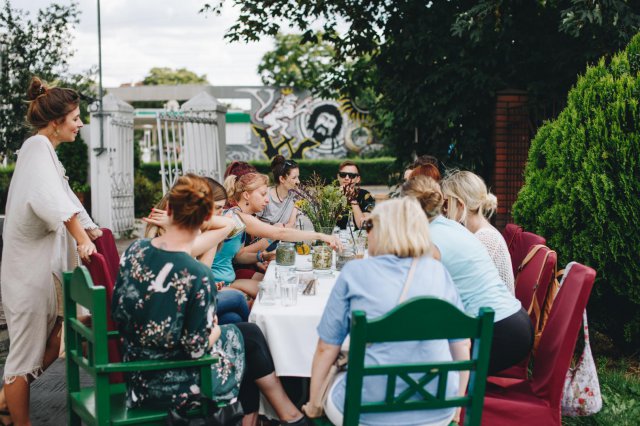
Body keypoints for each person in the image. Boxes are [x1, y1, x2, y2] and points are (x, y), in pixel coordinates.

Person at [112, 174, 310, 426]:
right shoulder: (196, 274)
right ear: (207, 218)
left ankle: (287, 415)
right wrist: (215, 328)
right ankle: (283, 416)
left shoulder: (136, 249)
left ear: (170, 209)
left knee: (247, 332)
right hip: (174, 385)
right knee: (244, 343)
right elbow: (198, 348)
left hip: (136, 372)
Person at [304, 198, 469, 425]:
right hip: (437, 407)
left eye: (370, 225)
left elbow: (326, 348)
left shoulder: (355, 272)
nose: (367, 231)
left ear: (384, 231)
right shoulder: (438, 272)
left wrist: (314, 404)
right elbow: (462, 344)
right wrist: (457, 403)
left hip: (368, 408)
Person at [0, 77, 102, 425]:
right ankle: (19, 415)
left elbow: (67, 199)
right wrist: (81, 239)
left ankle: (7, 397)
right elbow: (51, 201)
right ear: (57, 121)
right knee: (22, 356)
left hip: (44, 272)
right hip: (28, 275)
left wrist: (91, 230)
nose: (80, 123)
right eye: (75, 118)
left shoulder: (44, 152)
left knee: (61, 333)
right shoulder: (36, 149)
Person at [402, 176, 532, 374]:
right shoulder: (453, 227)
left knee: (419, 356)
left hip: (499, 332)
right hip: (515, 322)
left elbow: (415, 292)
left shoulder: (428, 239)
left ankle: (449, 403)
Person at [213, 172, 340, 298]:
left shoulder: (238, 217)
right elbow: (280, 233)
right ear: (246, 195)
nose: (267, 200)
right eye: (263, 195)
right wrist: (320, 236)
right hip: (219, 283)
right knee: (276, 292)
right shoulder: (237, 217)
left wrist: (263, 256)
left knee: (276, 287)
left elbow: (238, 257)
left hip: (228, 279)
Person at [144, 177, 250, 325]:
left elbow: (201, 276)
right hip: (173, 311)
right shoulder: (175, 234)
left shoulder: (189, 231)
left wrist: (210, 230)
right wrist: (206, 224)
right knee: (237, 299)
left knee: (233, 319)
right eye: (218, 207)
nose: (222, 213)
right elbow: (230, 224)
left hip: (180, 303)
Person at [441, 170, 515, 294]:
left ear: (460, 204)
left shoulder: (485, 238)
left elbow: (461, 284)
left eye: (447, 203)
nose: (445, 210)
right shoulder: (479, 232)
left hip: (494, 312)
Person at [257, 155, 300, 227]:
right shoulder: (265, 195)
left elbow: (292, 225)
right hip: (264, 237)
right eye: (294, 178)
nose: (298, 181)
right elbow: (254, 223)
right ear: (282, 179)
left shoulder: (296, 197)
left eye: (298, 177)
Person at [335, 161, 375, 230]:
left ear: (358, 179)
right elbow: (323, 225)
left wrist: (352, 199)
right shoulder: (330, 195)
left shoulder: (366, 195)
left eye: (351, 175)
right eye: (343, 174)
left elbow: (364, 227)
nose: (347, 178)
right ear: (338, 177)